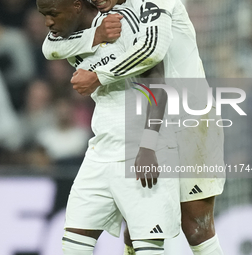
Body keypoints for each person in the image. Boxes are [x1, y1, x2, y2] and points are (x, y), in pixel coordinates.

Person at [41, 0, 226, 254]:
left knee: (195, 225)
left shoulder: (153, 3)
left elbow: (151, 51)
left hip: (190, 119)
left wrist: (98, 76)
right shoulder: (108, 18)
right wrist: (95, 36)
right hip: (138, 124)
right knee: (134, 224)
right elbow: (50, 46)